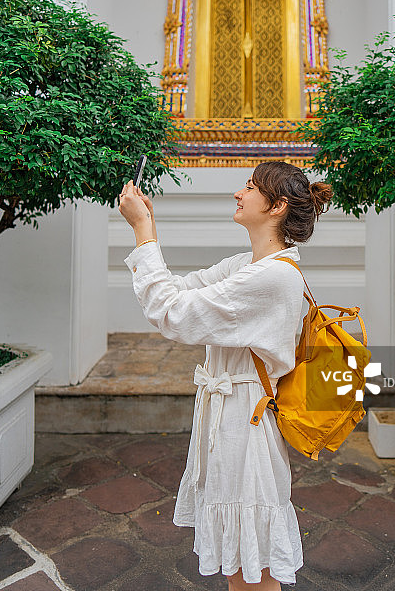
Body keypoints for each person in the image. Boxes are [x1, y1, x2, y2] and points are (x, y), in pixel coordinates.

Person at [118, 161, 333, 589]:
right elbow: (178, 292)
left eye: (250, 187)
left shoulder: (271, 277)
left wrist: (143, 232)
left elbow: (172, 315)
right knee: (243, 563)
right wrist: (150, 229)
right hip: (231, 420)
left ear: (277, 206)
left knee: (250, 567)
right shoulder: (248, 265)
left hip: (244, 425)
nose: (239, 193)